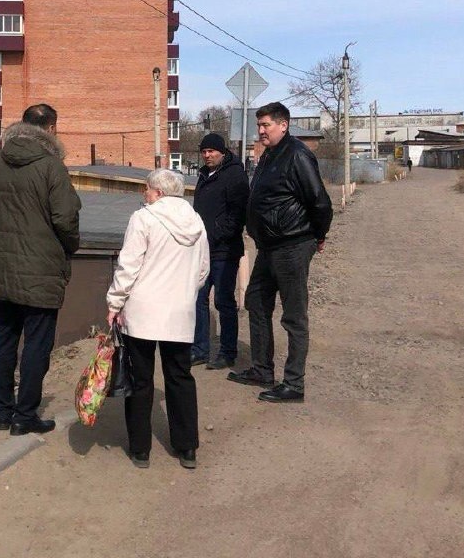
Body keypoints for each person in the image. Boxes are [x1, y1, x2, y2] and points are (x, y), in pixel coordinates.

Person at [0, 104, 81, 436]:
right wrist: (69, 246)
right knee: (37, 344)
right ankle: (25, 415)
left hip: (3, 267)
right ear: (51, 129)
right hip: (41, 269)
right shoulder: (52, 166)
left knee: (4, 339)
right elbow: (65, 219)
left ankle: (2, 411)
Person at [228, 102, 333, 403]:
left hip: (292, 245)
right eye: (259, 125)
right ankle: (262, 369)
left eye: (266, 125)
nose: (261, 130)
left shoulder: (297, 154)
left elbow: (320, 201)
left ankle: (294, 384)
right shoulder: (270, 155)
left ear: (283, 125)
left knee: (294, 315)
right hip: (269, 246)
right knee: (256, 302)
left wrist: (318, 236)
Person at [107, 169, 210, 469]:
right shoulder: (196, 221)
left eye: (148, 189)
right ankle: (187, 447)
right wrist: (185, 291)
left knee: (140, 380)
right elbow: (203, 269)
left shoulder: (143, 218)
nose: (145, 193)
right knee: (180, 376)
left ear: (159, 193)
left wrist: (115, 302)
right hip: (180, 311)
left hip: (143, 311)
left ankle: (141, 449)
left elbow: (129, 264)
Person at [191, 132, 249, 369]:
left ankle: (227, 352)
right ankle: (200, 349)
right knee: (198, 299)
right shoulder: (204, 175)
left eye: (211, 151)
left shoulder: (234, 175)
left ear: (222, 152)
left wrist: (216, 235)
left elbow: (238, 214)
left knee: (224, 301)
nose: (207, 155)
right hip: (203, 250)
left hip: (225, 250)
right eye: (204, 152)